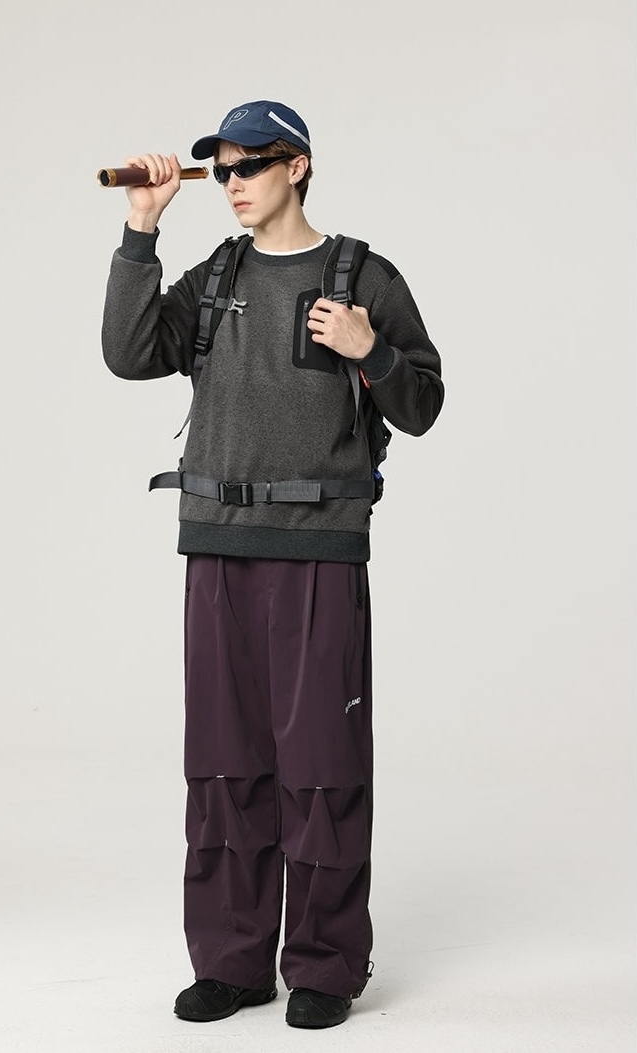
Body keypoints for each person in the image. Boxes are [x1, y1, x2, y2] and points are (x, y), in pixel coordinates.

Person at [101, 99, 444, 1029]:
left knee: (322, 765)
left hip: (318, 552)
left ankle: (326, 963)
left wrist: (371, 350)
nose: (231, 183)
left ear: (297, 166)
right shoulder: (215, 277)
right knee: (221, 766)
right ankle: (232, 961)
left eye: (249, 164)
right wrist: (141, 230)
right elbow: (129, 355)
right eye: (220, 169)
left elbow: (422, 406)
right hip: (216, 545)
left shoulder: (363, 275)